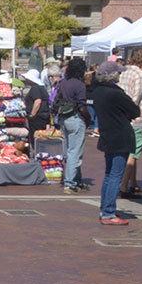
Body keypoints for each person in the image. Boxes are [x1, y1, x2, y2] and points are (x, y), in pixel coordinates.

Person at [88, 60, 140, 226]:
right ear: (111, 76)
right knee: (115, 175)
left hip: (108, 135)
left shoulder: (97, 92)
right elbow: (134, 111)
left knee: (110, 174)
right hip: (120, 136)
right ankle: (108, 213)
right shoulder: (115, 93)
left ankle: (105, 208)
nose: (119, 75)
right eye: (117, 73)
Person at [54, 58, 90, 193]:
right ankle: (69, 182)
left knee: (70, 149)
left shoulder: (63, 82)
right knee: (75, 151)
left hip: (64, 118)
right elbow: (82, 106)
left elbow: (57, 99)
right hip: (76, 118)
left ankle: (77, 179)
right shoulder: (80, 85)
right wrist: (88, 119)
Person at [117, 48, 142, 196]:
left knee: (132, 151)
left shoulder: (124, 71)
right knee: (133, 152)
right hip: (135, 117)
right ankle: (123, 185)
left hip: (121, 116)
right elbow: (135, 99)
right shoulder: (140, 74)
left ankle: (133, 183)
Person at [22, 68, 50, 135]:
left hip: (37, 118)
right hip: (43, 117)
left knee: (35, 136)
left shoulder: (35, 88)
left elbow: (38, 101)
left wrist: (32, 115)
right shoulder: (42, 88)